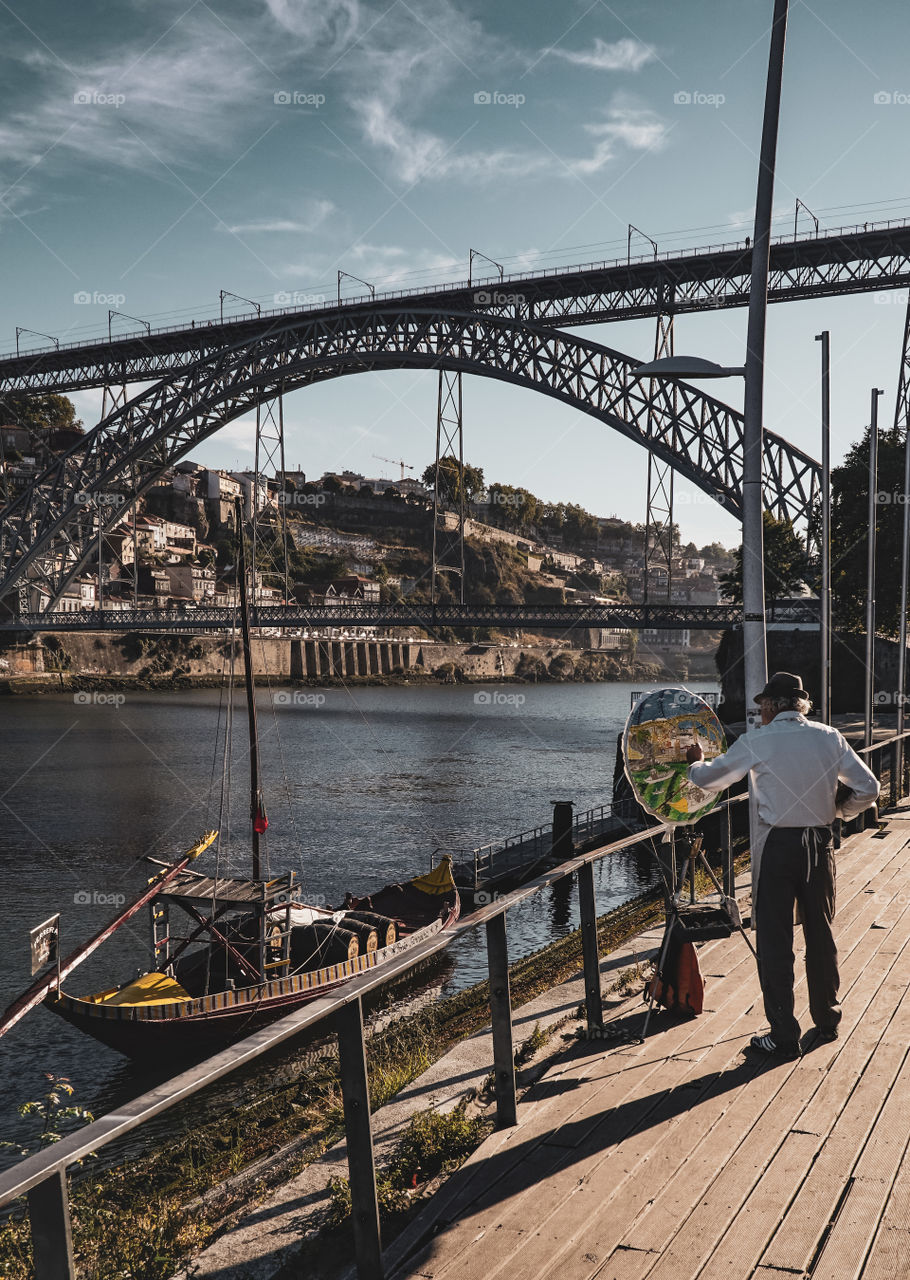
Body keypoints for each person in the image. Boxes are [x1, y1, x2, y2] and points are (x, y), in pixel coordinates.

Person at [685, 672, 879, 1059]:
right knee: (820, 933)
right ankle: (827, 1019)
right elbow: (869, 788)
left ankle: (783, 1035)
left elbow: (711, 780)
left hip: (778, 845)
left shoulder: (759, 739)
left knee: (774, 939)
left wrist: (696, 763)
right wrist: (839, 811)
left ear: (774, 705)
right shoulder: (828, 736)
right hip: (819, 843)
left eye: (762, 706)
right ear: (801, 704)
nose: (759, 712)